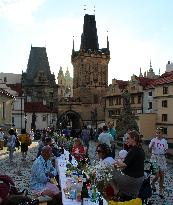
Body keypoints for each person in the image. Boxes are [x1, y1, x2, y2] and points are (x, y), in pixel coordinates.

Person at [112, 130, 145, 199]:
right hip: (140, 179)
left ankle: (117, 191)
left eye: (128, 138)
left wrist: (116, 161)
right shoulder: (140, 149)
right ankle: (127, 193)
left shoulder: (133, 150)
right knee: (119, 172)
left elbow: (123, 165)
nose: (126, 140)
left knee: (110, 173)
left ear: (134, 139)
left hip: (132, 179)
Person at [149, 127, 168, 198]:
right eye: (156, 132)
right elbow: (149, 150)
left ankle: (160, 191)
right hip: (154, 158)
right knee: (157, 175)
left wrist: (164, 153)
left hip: (162, 159)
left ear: (162, 133)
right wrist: (151, 146)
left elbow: (165, 150)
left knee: (162, 176)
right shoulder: (153, 140)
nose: (157, 134)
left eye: (159, 133)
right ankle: (153, 183)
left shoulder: (164, 141)